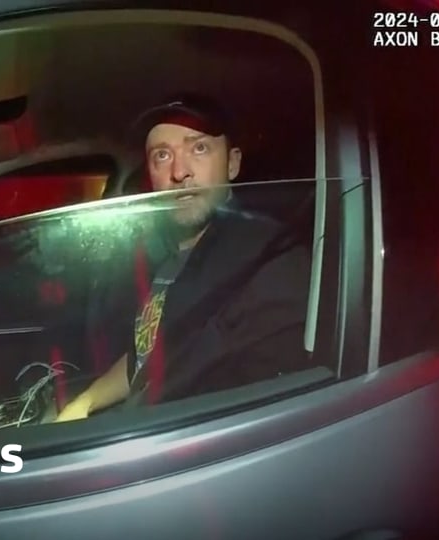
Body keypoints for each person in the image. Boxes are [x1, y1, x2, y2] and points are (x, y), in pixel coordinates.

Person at [55, 94, 314, 421]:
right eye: (162, 155)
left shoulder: (267, 258)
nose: (179, 172)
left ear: (232, 163)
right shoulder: (167, 254)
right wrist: (85, 403)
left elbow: (264, 412)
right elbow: (146, 355)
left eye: (199, 148)